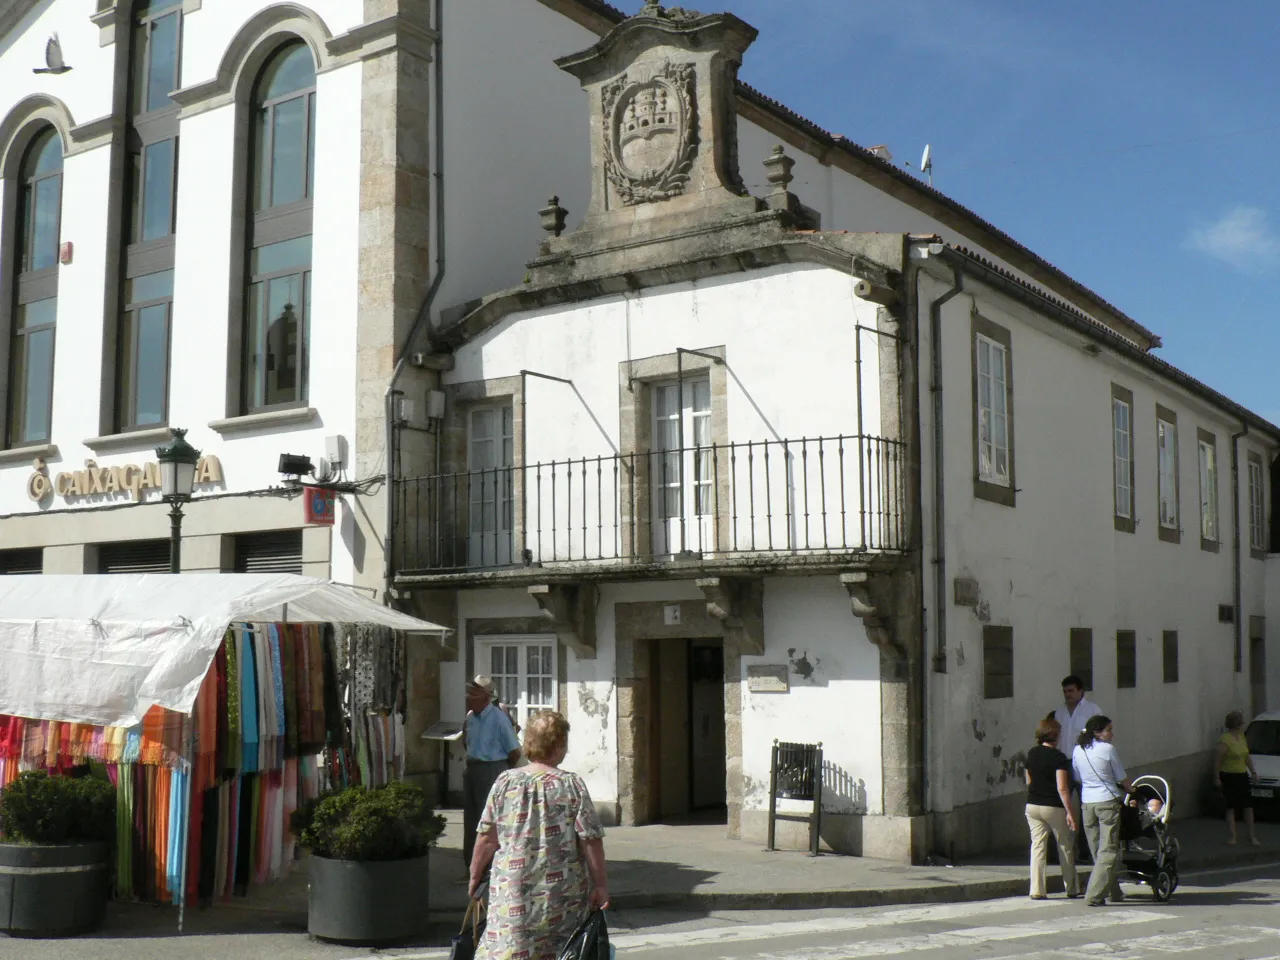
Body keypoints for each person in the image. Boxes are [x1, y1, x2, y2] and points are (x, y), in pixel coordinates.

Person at [469, 711, 608, 960]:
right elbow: (590, 840)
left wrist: (474, 875)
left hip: (514, 894)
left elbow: (487, 838)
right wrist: (600, 885)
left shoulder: (505, 782)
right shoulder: (571, 784)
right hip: (563, 895)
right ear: (559, 745)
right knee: (563, 952)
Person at [462, 675, 521, 872]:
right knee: (471, 821)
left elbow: (514, 751)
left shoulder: (498, 718)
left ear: (486, 697)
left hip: (492, 770)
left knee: (489, 822)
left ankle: (492, 867)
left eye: (473, 693)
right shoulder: (470, 717)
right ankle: (472, 867)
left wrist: (502, 772)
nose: (468, 697)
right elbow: (466, 742)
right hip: (472, 769)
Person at [1072, 714, 1133, 906]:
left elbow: (1077, 775)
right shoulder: (1108, 750)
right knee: (1108, 850)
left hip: (1087, 803)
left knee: (1097, 850)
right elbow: (1121, 777)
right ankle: (1094, 894)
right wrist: (1133, 790)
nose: (1112, 734)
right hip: (1107, 801)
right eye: (1109, 730)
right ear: (1098, 733)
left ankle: (1113, 891)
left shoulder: (1078, 749)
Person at [1024, 717, 1080, 900]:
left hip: (1032, 805)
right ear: (1056, 735)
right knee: (1064, 845)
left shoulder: (1031, 753)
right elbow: (1062, 788)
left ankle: (1037, 890)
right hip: (1053, 806)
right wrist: (1070, 813)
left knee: (1038, 847)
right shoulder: (1059, 758)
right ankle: (1071, 888)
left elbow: (1028, 781)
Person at [1053, 675, 1102, 862]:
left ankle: (1086, 851)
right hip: (1064, 762)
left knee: (1086, 808)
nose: (1068, 695)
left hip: (1084, 762)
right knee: (1059, 806)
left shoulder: (1092, 710)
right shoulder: (1059, 712)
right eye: (1065, 691)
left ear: (1081, 691)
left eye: (1071, 691)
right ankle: (1059, 851)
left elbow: (1097, 737)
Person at [1214, 710, 1260, 847]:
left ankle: (1252, 836)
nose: (1242, 724)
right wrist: (1216, 777)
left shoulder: (1241, 737)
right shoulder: (1225, 739)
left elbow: (1246, 757)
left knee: (1248, 806)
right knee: (1231, 806)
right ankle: (1233, 836)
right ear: (1234, 724)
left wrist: (1253, 772)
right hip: (1229, 775)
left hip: (1241, 775)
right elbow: (1217, 760)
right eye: (1239, 722)